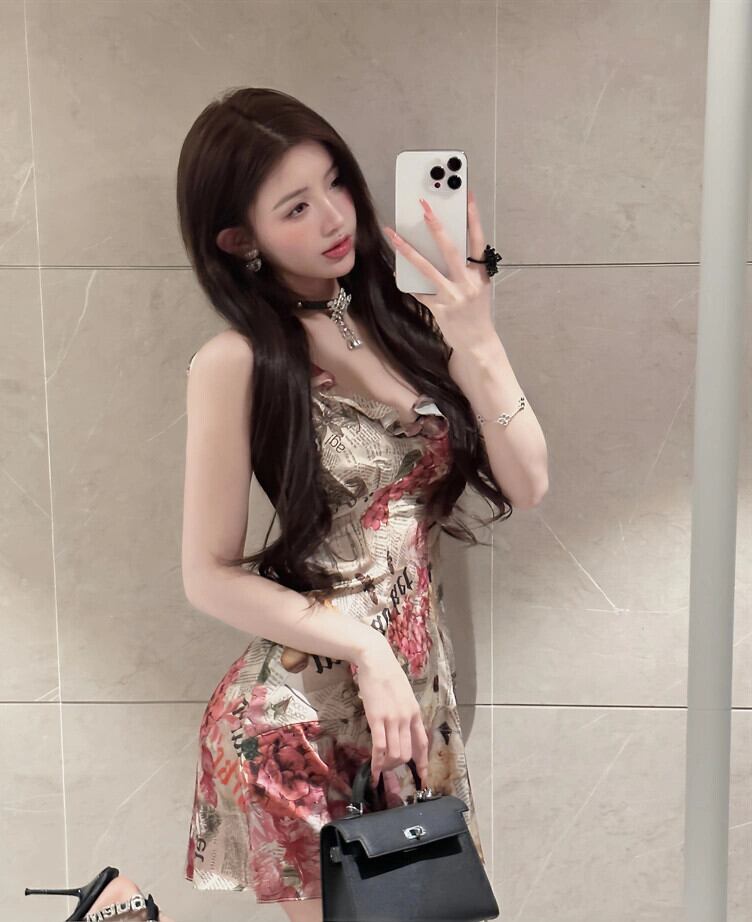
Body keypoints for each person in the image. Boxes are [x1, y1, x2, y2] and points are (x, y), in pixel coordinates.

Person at [177, 87, 545, 922]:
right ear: (240, 241)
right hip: (302, 717)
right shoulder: (237, 361)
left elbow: (528, 482)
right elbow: (206, 575)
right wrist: (367, 652)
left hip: (411, 707)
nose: (336, 216)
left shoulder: (409, 322)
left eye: (336, 181)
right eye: (296, 207)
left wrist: (478, 335)